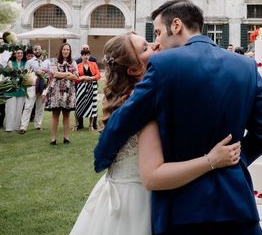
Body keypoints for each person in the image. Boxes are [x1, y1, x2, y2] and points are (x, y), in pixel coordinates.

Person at [94, 0, 262, 235]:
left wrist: (101, 158)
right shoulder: (246, 66)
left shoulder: (161, 65)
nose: (156, 42)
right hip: (236, 205)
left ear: (176, 25)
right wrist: (233, 160)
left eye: (158, 32)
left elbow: (124, 122)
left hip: (181, 208)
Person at [71, 33, 241, 235]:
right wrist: (211, 160)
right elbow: (153, 176)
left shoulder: (130, 95)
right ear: (133, 69)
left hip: (115, 190)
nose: (156, 45)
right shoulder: (143, 103)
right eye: (146, 48)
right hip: (135, 203)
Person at [45, 42, 78, 145]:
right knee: (55, 115)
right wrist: (68, 73)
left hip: (68, 93)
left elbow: (76, 76)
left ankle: (66, 138)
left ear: (70, 51)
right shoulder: (54, 61)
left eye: (68, 49)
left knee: (66, 115)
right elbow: (54, 73)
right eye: (64, 49)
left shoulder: (73, 62)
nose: (66, 51)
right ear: (61, 50)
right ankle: (53, 139)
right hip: (56, 92)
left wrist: (63, 75)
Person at [19, 45, 49, 133]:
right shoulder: (29, 62)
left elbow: (50, 73)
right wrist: (36, 72)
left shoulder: (47, 61)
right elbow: (25, 74)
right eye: (35, 50)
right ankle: (23, 127)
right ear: (33, 51)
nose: (37, 51)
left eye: (39, 49)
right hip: (32, 86)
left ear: (42, 50)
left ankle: (38, 125)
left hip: (43, 86)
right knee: (28, 106)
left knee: (40, 107)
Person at [74, 48, 101, 131]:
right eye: (84, 55)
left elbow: (98, 75)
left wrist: (91, 78)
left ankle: (90, 125)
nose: (86, 56)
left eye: (87, 55)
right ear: (81, 56)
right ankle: (77, 124)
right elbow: (75, 78)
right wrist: (83, 78)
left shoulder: (93, 64)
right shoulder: (78, 65)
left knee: (92, 106)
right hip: (81, 87)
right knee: (78, 105)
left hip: (92, 87)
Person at [4, 48, 27, 132]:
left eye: (21, 53)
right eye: (18, 53)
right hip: (12, 88)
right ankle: (9, 127)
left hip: (21, 89)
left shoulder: (25, 63)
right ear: (15, 54)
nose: (20, 54)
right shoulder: (10, 62)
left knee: (19, 109)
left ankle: (16, 126)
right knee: (10, 108)